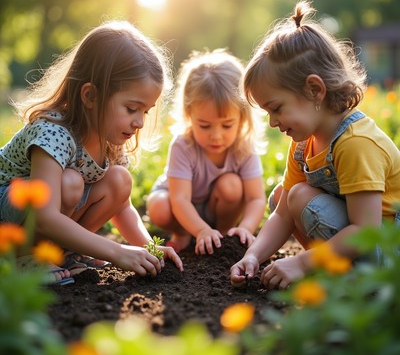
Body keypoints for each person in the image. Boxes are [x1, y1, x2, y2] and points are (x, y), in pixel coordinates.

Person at [230, 0, 400, 290]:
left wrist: (301, 262)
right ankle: (335, 272)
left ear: (314, 90)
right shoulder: (304, 144)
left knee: (297, 196)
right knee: (283, 197)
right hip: (361, 242)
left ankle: (350, 281)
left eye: (276, 108)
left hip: (386, 254)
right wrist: (253, 256)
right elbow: (283, 213)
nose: (273, 122)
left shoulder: (357, 143)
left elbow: (366, 230)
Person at [0, 20, 183, 284]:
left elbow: (122, 206)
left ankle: (64, 252)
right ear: (90, 96)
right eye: (132, 108)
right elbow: (45, 215)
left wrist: (148, 248)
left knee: (120, 180)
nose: (140, 122)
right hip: (9, 213)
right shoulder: (53, 131)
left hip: (38, 219)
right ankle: (23, 257)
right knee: (71, 182)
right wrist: (116, 251)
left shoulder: (110, 138)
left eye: (146, 111)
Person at [146, 49, 267, 255]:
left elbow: (256, 198)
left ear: (243, 117)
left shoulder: (244, 147)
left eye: (227, 125)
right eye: (204, 125)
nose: (216, 136)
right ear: (188, 114)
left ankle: (222, 236)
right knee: (159, 206)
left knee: (232, 185)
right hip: (181, 208)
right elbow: (180, 199)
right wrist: (200, 229)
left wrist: (246, 228)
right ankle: (184, 233)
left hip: (216, 208)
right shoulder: (183, 146)